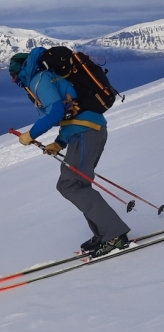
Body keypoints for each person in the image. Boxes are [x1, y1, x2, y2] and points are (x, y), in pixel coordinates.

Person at [9, 47, 130, 257]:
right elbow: (70, 112)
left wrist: (31, 134)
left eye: (13, 75)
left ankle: (114, 234)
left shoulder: (39, 79)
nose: (13, 81)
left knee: (71, 184)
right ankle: (105, 232)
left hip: (87, 132)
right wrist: (59, 142)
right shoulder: (47, 78)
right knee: (73, 184)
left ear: (21, 71)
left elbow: (56, 112)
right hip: (84, 131)